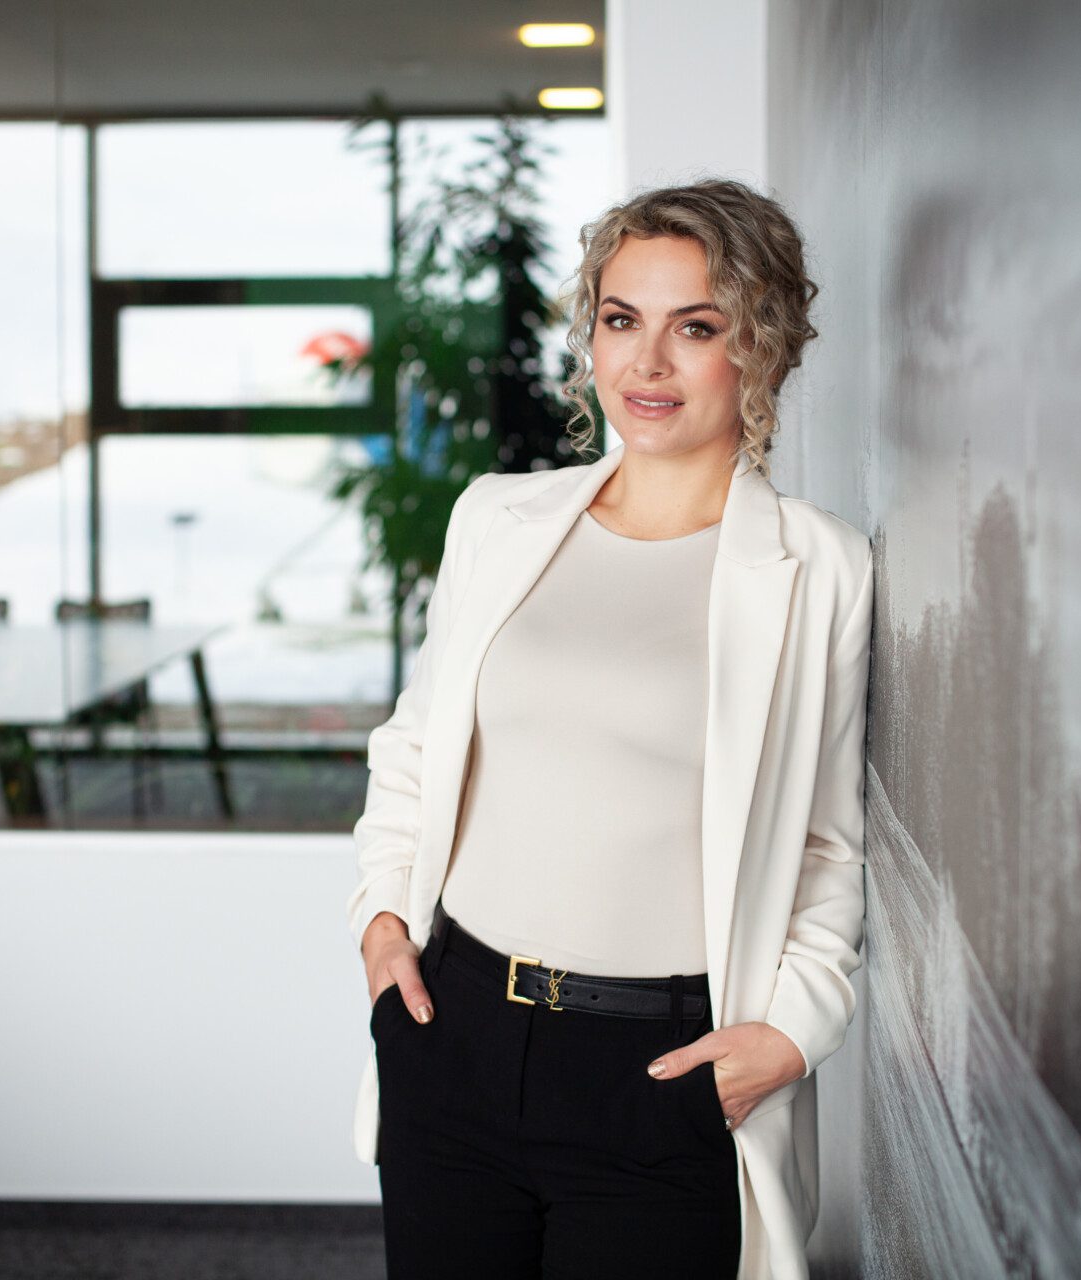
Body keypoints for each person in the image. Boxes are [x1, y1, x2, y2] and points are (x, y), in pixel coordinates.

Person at [347, 178, 874, 1280]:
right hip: (456, 1030)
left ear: (763, 347)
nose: (649, 362)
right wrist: (382, 926)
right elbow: (416, 747)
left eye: (698, 327)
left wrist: (792, 1033)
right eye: (623, 319)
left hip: (663, 1072)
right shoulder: (498, 519)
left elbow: (827, 841)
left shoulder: (818, 567)